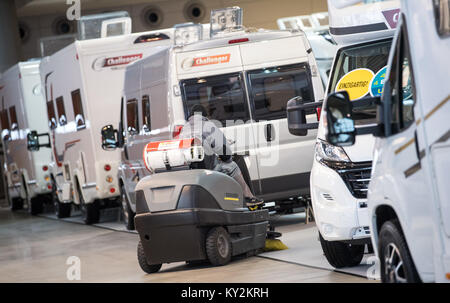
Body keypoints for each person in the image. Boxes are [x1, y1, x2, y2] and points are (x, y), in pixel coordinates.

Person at [180, 104, 264, 209]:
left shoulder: (184, 129)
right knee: (232, 166)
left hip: (190, 170)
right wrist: (226, 157)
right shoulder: (208, 125)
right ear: (205, 115)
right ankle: (248, 198)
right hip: (208, 169)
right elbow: (224, 151)